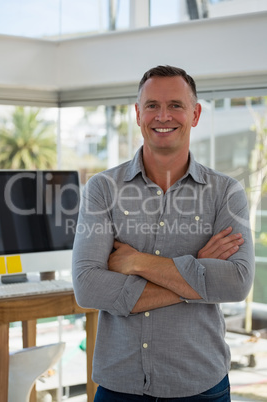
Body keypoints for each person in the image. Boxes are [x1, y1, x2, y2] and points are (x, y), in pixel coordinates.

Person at [72, 65, 254, 401]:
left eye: (176, 105)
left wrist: (136, 262)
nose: (163, 116)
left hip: (200, 384)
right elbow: (87, 287)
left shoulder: (226, 192)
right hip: (119, 384)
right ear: (138, 113)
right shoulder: (102, 189)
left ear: (195, 114)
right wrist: (197, 268)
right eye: (152, 105)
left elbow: (237, 281)